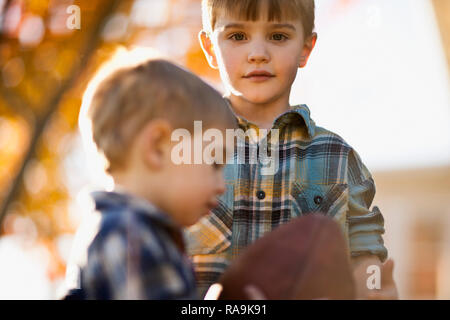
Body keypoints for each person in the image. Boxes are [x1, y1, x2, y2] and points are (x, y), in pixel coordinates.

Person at [185, 0, 398, 299]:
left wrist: (374, 288)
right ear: (209, 47)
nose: (258, 54)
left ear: (305, 48)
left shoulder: (337, 157)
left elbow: (366, 255)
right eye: (237, 36)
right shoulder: (184, 151)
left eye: (278, 36)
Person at [69, 58, 237, 299]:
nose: (222, 186)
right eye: (215, 162)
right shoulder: (130, 236)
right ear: (157, 147)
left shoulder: (127, 231)